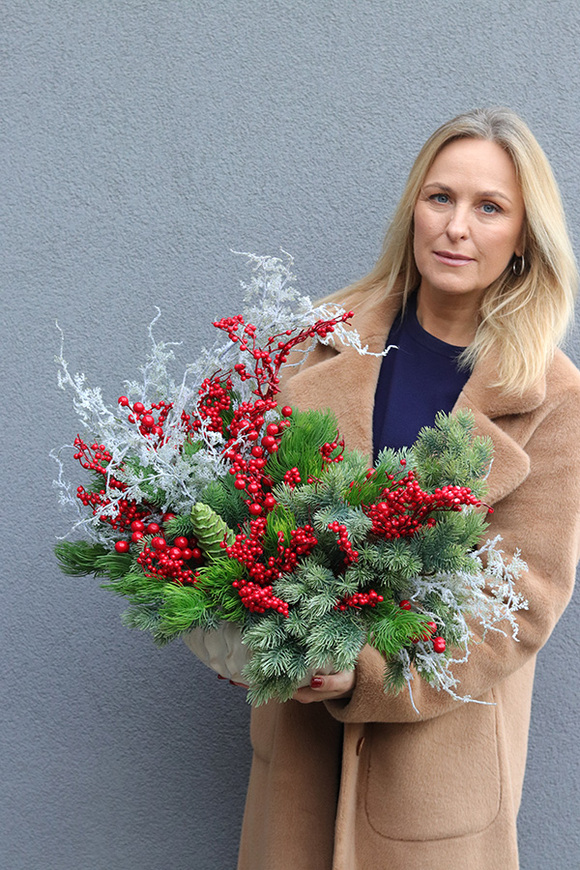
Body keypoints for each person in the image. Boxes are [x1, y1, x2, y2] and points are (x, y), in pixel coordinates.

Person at [236, 107, 580, 870]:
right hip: (299, 751)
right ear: (413, 210)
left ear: (523, 237)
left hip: (435, 771)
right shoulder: (326, 341)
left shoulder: (551, 397)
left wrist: (368, 671)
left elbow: (521, 602)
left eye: (489, 207)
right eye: (440, 197)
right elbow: (250, 519)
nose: (457, 226)